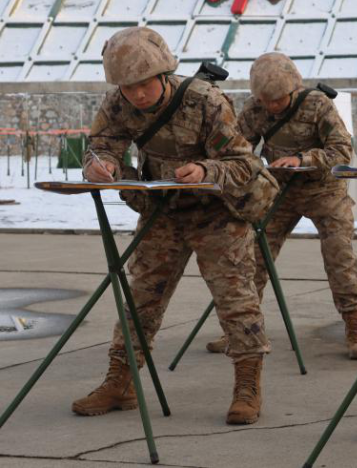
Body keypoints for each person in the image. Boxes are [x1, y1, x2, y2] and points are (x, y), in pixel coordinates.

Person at [75, 27, 270, 425]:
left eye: (144, 84)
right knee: (140, 300)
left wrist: (205, 169)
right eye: (128, 87)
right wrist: (102, 165)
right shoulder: (117, 103)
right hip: (163, 211)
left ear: (163, 74)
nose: (137, 94)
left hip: (216, 213)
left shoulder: (205, 100)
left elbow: (244, 163)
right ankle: (121, 382)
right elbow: (102, 144)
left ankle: (247, 386)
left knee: (236, 300)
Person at [202, 52, 357, 359]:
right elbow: (240, 149)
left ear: (294, 89)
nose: (272, 106)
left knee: (340, 256)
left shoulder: (318, 104)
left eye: (278, 100)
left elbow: (342, 150)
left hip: (324, 192)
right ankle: (241, 331)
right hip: (280, 192)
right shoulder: (255, 108)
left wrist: (303, 159)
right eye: (266, 100)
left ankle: (354, 328)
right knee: (253, 257)